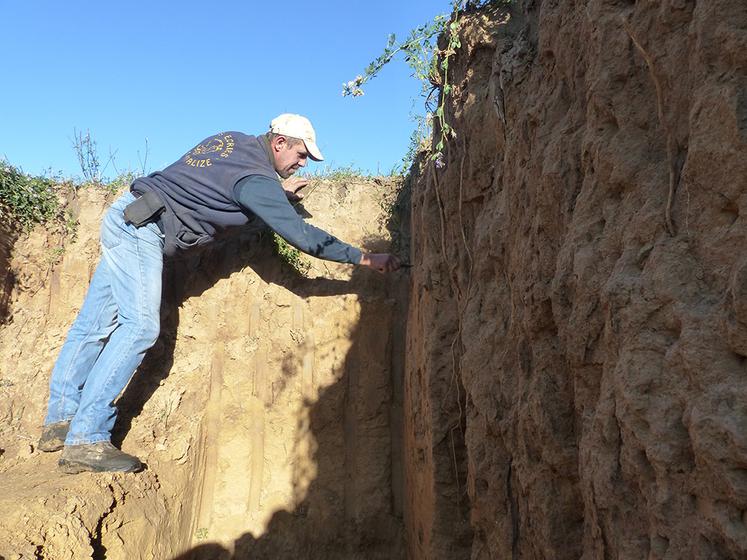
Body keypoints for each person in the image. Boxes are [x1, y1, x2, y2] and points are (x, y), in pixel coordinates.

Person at [38, 113, 401, 474]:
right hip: (143, 232)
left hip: (125, 215)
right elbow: (301, 236)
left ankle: (61, 419)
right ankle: (86, 438)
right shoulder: (256, 179)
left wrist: (275, 192)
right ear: (279, 143)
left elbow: (219, 182)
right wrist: (366, 258)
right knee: (140, 329)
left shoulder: (232, 141)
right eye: (301, 155)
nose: (303, 164)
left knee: (94, 324)